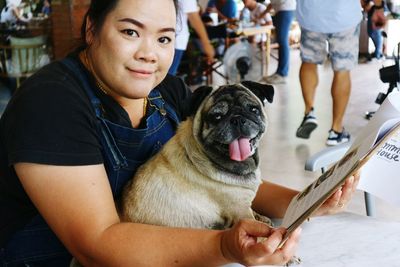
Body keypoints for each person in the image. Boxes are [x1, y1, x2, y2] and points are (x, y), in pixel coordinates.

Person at [0, 0, 360, 266]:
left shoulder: (167, 92)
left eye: (164, 39)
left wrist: (311, 200)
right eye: (130, 32)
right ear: (91, 29)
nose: (149, 54)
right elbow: (97, 244)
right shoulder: (52, 103)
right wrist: (223, 247)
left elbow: (223, 181)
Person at [295, 0, 362, 146]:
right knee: (342, 70)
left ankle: (309, 112)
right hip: (345, 15)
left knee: (309, 61)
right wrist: (378, 6)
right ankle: (336, 130)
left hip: (311, 14)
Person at [168, 0, 215, 75]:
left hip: (167, 37)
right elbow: (194, 18)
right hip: (175, 40)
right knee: (165, 80)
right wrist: (206, 44)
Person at [262, 0, 296, 84]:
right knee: (281, 42)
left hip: (285, 10)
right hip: (280, 11)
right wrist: (261, 15)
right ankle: (279, 72)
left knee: (283, 42)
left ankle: (282, 74)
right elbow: (272, 3)